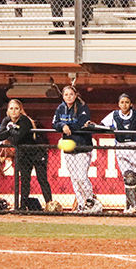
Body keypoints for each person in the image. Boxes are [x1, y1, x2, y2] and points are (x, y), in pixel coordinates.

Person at [99, 93, 136, 214]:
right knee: (128, 177)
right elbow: (101, 126)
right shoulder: (114, 115)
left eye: (127, 102)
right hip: (120, 147)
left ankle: (130, 207)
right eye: (122, 102)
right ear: (118, 104)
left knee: (132, 178)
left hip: (134, 147)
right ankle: (133, 206)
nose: (124, 105)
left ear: (130, 104)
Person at [52, 85, 101, 213]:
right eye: (66, 95)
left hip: (83, 146)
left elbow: (82, 123)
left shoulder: (82, 106)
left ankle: (91, 202)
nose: (69, 97)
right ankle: (81, 205)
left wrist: (67, 126)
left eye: (71, 94)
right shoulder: (60, 108)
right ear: (63, 96)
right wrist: (62, 125)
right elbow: (54, 123)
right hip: (69, 147)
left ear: (75, 95)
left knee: (81, 176)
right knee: (74, 178)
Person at [0, 99, 53, 211]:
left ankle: (50, 205)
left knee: (42, 178)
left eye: (16, 108)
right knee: (24, 180)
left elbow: (18, 138)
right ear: (8, 110)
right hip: (23, 154)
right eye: (11, 108)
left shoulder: (25, 120)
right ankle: (22, 206)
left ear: (20, 110)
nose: (13, 111)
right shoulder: (6, 120)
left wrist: (9, 130)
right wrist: (11, 130)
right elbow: (0, 136)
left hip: (37, 152)